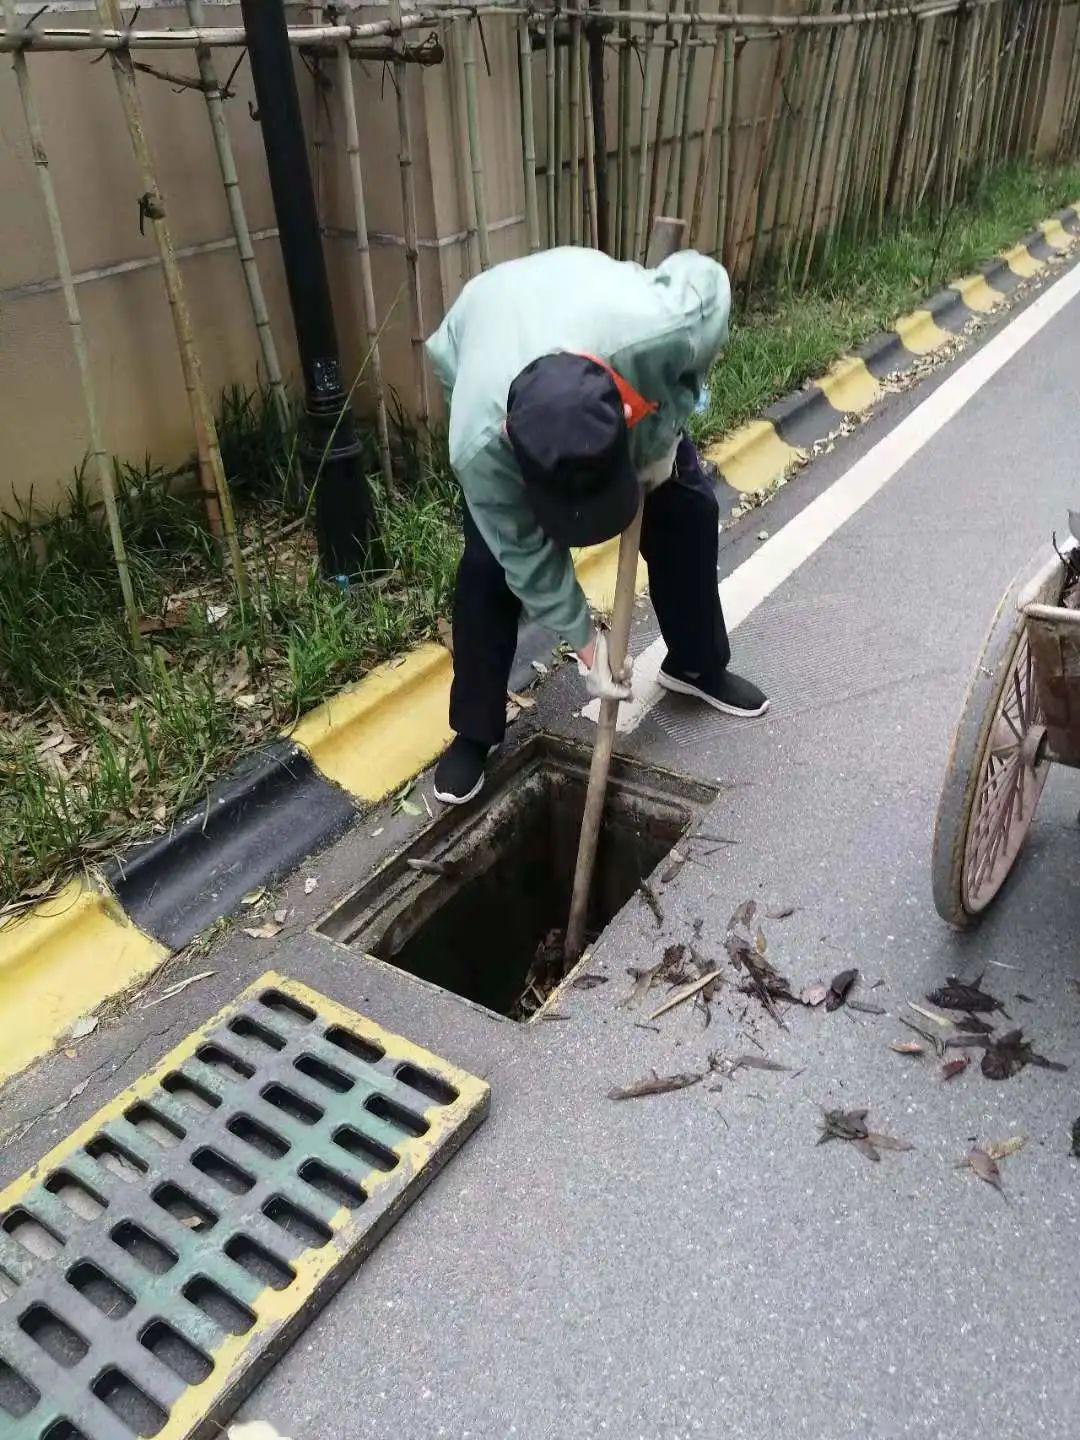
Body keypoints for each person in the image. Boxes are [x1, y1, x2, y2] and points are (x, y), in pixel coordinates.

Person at [425, 245, 768, 806]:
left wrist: (665, 431)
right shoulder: (479, 444)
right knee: (490, 565)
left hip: (603, 334)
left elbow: (709, 284)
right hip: (487, 324)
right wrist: (587, 644)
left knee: (687, 510)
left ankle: (695, 665)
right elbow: (527, 556)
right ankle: (475, 730)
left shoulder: (662, 330)